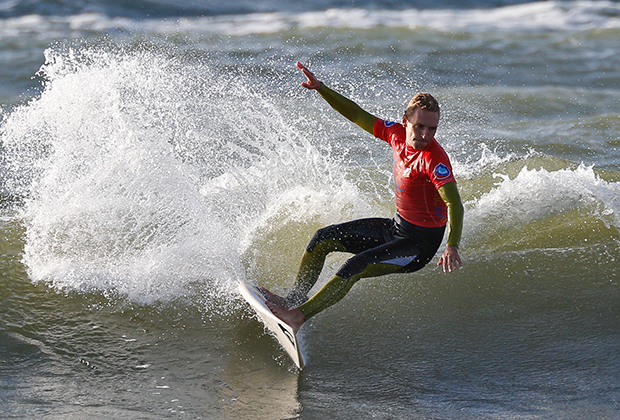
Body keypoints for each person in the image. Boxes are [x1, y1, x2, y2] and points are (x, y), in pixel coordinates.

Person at [263, 62, 464, 333]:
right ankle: (293, 300)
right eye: (419, 127)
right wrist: (321, 89)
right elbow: (357, 114)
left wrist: (452, 245)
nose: (426, 135)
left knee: (355, 266)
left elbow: (455, 203)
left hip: (418, 247)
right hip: (397, 228)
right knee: (323, 238)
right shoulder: (395, 134)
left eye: (432, 129)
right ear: (406, 121)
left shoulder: (434, 161)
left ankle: (298, 316)